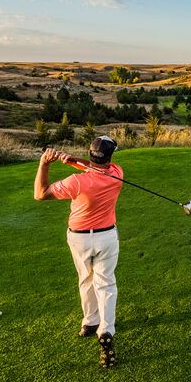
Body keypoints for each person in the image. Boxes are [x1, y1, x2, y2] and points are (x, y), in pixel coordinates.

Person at [33, 135, 123, 368]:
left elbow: (40, 193)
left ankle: (90, 323)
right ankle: (106, 330)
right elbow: (97, 167)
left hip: (79, 239)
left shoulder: (75, 182)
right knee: (106, 284)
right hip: (107, 237)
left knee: (86, 279)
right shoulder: (117, 174)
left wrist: (45, 163)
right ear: (110, 156)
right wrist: (71, 160)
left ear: (90, 154)